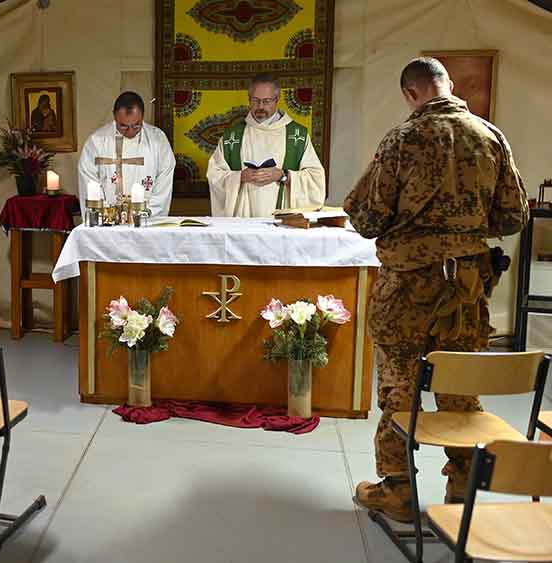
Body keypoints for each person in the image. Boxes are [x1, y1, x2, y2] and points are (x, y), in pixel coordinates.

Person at [345, 57, 529, 523]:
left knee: (400, 390)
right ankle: (463, 489)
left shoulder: (402, 140)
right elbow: (513, 217)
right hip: (465, 290)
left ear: (411, 94)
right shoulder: (491, 137)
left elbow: (364, 218)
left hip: (406, 288)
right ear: (448, 86)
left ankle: (399, 491)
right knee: (460, 385)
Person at [207, 73, 326, 217]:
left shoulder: (296, 136)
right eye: (256, 100)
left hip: (283, 223)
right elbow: (214, 175)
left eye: (266, 101)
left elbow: (316, 178)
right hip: (243, 219)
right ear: (249, 99)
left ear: (277, 100)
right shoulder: (232, 136)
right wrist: (239, 177)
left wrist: (283, 175)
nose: (260, 106)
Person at [78, 91, 176, 218]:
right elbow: (88, 178)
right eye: (123, 126)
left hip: (146, 222)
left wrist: (146, 214)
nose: (130, 132)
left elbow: (164, 180)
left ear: (143, 116)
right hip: (109, 223)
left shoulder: (158, 140)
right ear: (114, 117)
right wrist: (105, 215)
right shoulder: (97, 142)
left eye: (136, 126)